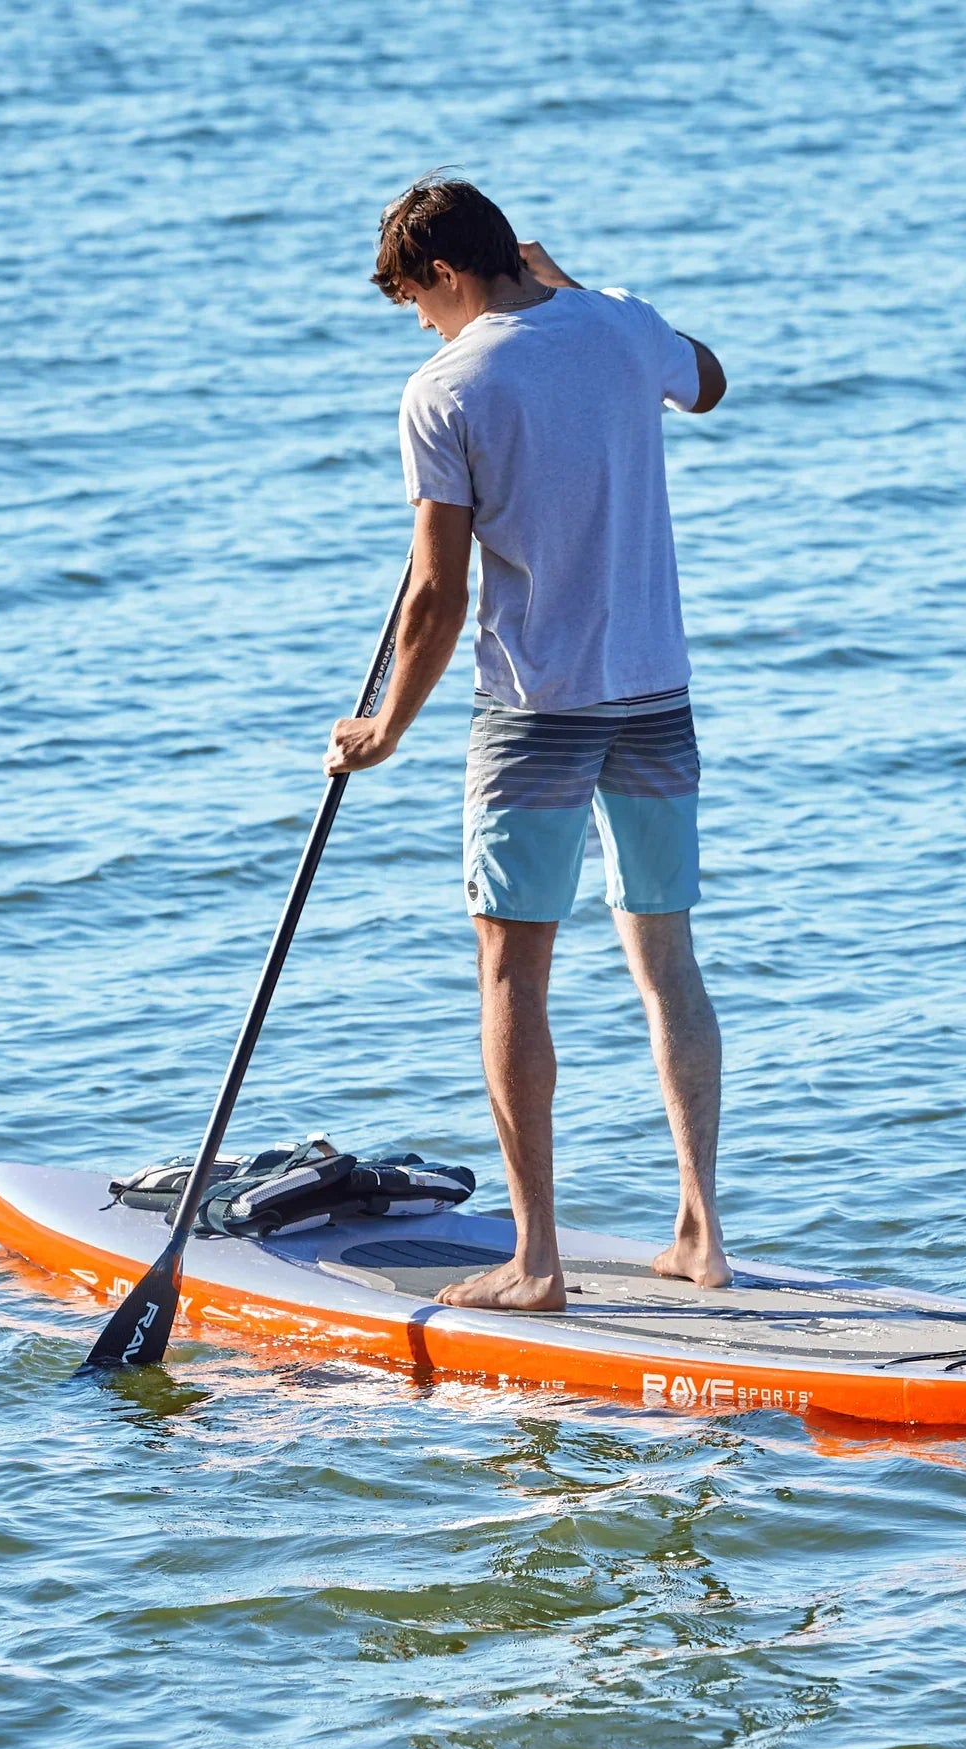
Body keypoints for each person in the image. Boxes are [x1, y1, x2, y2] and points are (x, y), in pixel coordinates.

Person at [323, 176, 729, 1312]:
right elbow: (708, 382)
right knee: (667, 959)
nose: (420, 326)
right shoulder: (621, 322)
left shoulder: (444, 390)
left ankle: (537, 1261)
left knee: (512, 971)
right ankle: (700, 1234)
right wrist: (576, 290)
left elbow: (437, 595)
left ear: (448, 275)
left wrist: (384, 730)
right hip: (655, 696)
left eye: (416, 301)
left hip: (536, 714)